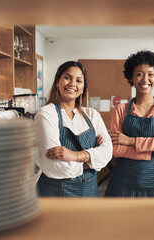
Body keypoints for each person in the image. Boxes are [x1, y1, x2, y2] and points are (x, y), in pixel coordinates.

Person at [105, 50, 154, 197]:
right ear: (131, 78)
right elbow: (115, 149)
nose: (145, 79)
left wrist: (130, 141)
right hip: (122, 182)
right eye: (139, 74)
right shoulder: (120, 110)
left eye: (150, 74)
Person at [34, 61, 112, 197]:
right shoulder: (46, 114)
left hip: (89, 193)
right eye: (67, 78)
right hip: (56, 195)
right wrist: (93, 161)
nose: (72, 84)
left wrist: (75, 155)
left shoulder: (92, 115)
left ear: (83, 88)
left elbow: (107, 153)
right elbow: (54, 165)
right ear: (57, 82)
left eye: (78, 80)